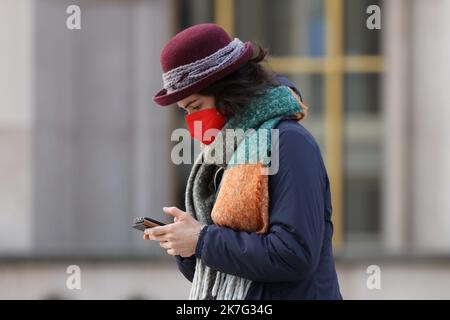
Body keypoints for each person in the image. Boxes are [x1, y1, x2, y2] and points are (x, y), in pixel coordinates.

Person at [145, 23, 342, 300]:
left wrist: (202, 239)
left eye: (196, 107)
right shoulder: (225, 154)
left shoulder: (289, 143)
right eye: (185, 113)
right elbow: (225, 269)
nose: (191, 124)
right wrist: (186, 246)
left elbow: (294, 254)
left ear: (228, 93)